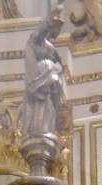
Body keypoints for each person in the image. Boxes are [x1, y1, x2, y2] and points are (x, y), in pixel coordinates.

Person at [22, 3, 65, 144]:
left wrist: (55, 71)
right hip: (37, 82)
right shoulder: (38, 40)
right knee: (36, 116)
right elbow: (37, 35)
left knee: (48, 111)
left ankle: (44, 129)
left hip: (47, 87)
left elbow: (59, 65)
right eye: (57, 28)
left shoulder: (51, 48)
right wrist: (49, 20)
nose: (59, 32)